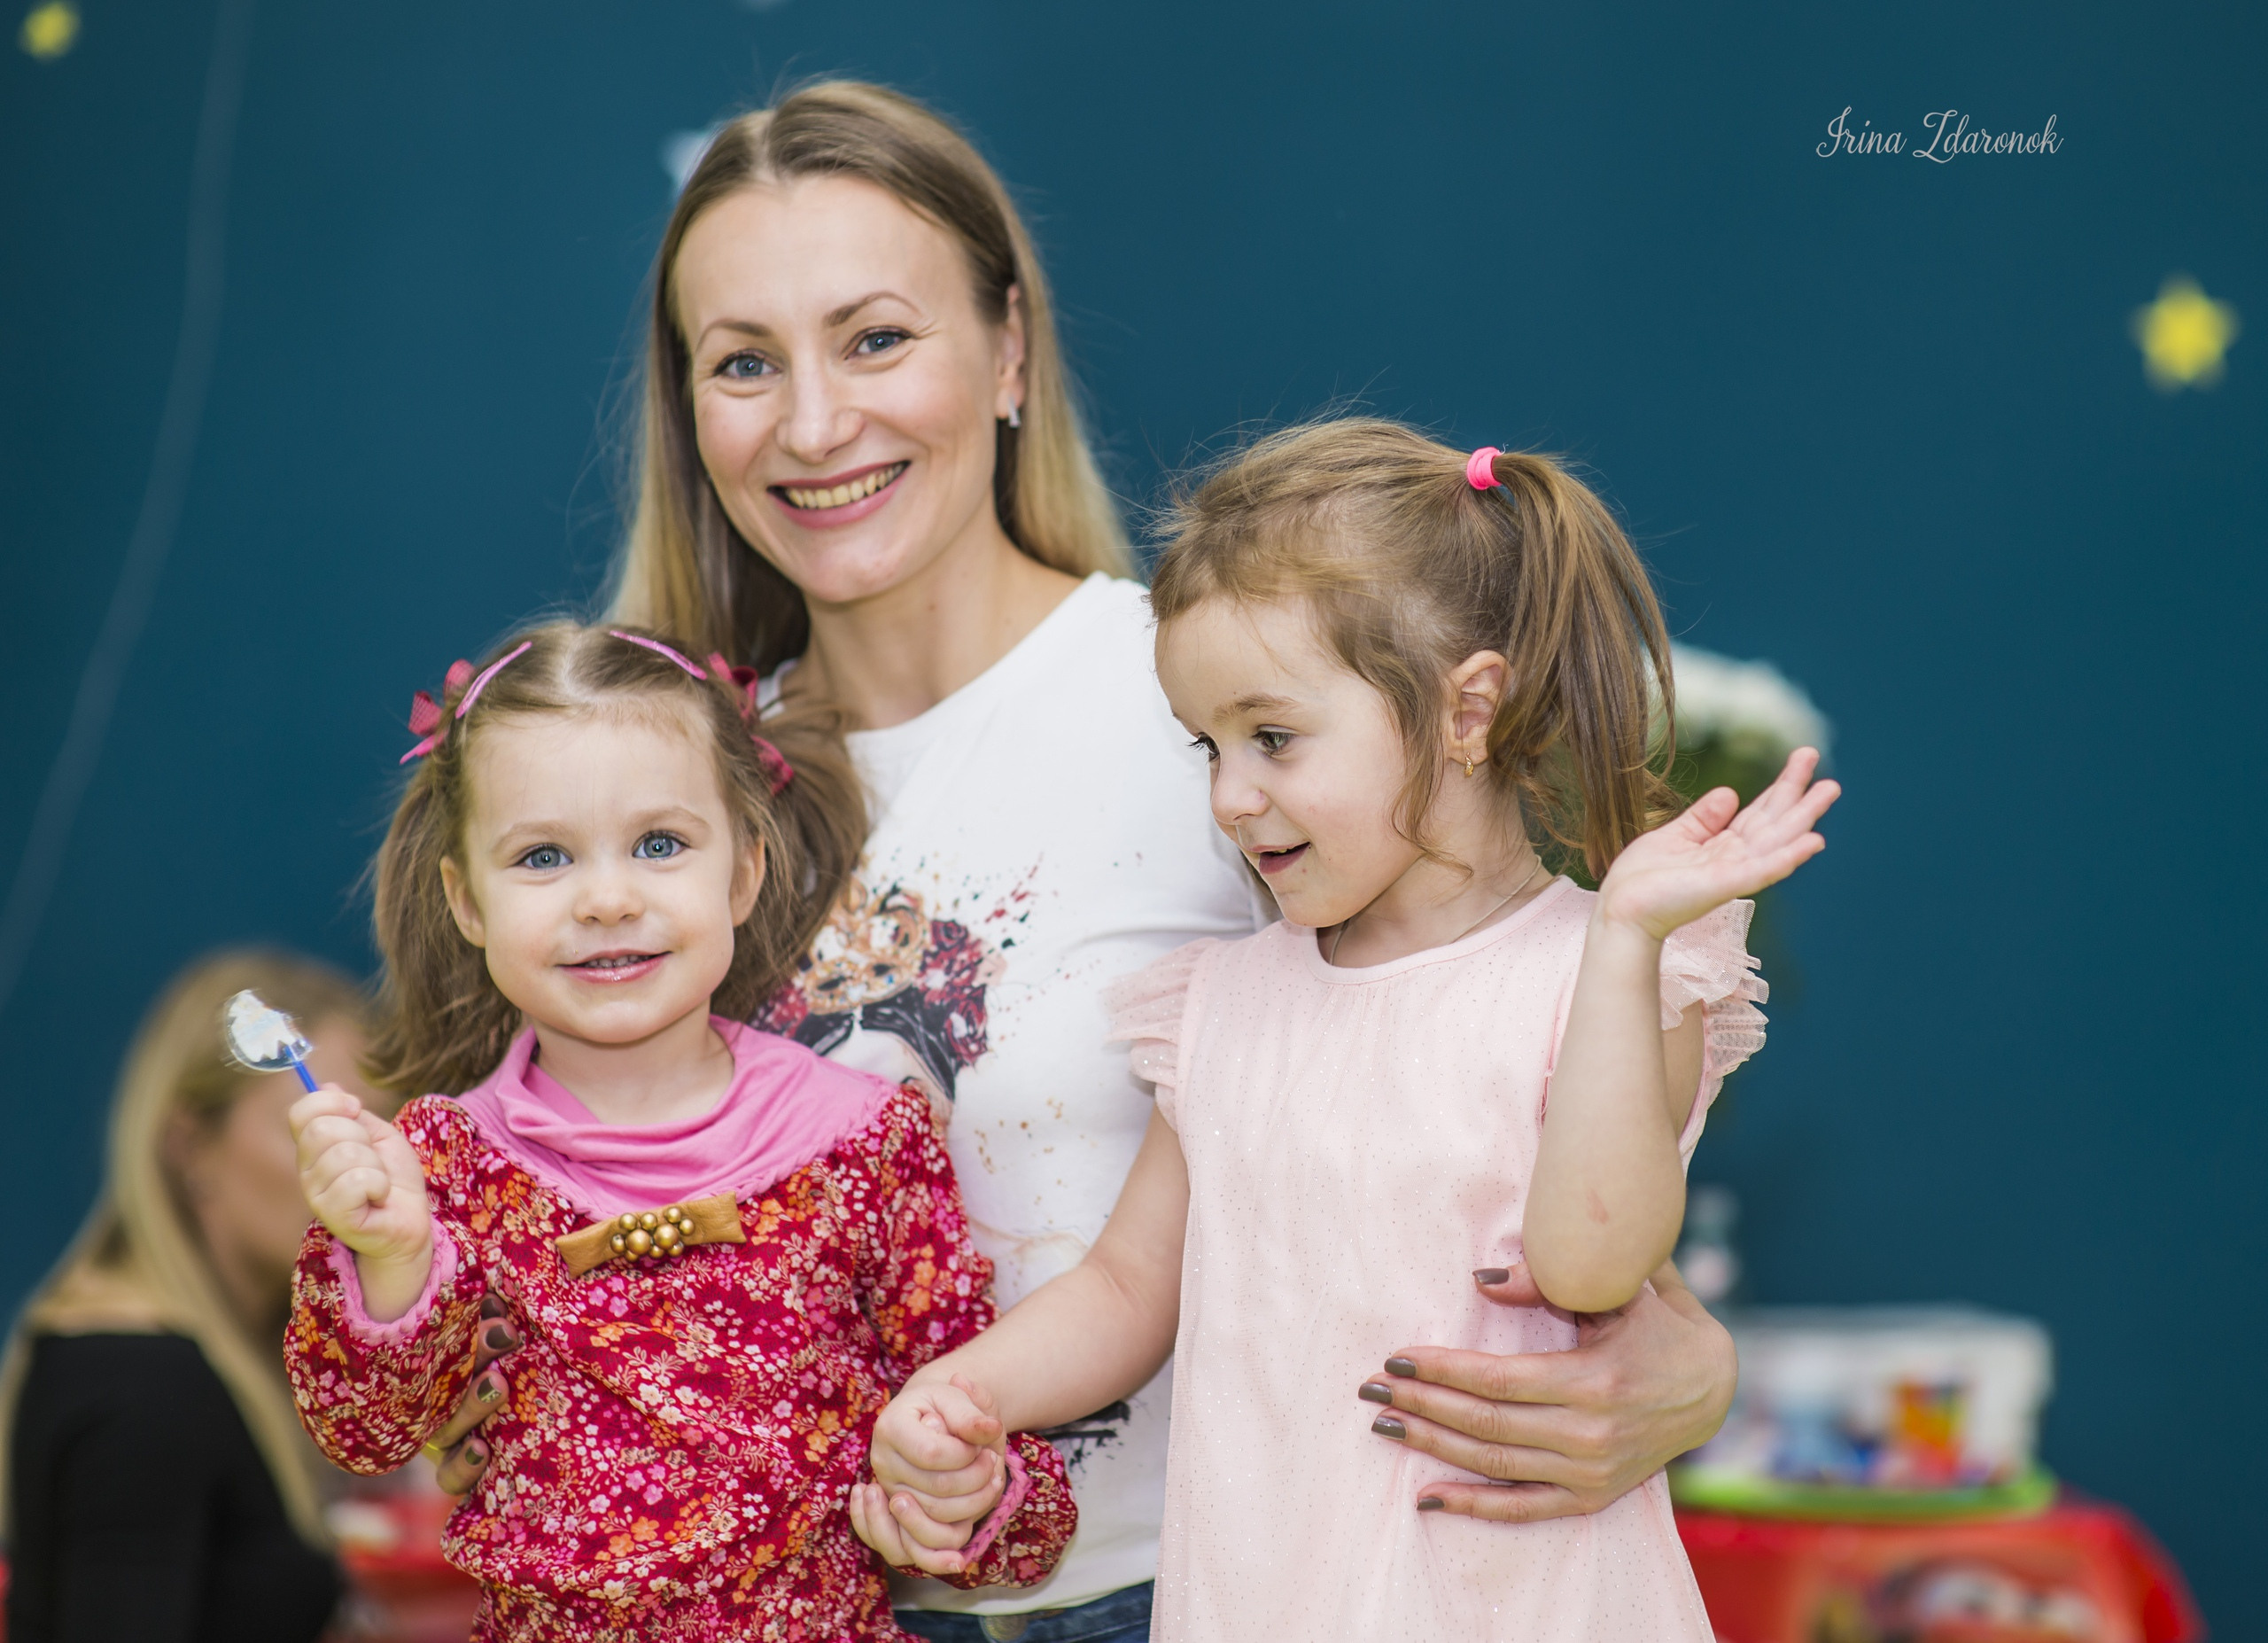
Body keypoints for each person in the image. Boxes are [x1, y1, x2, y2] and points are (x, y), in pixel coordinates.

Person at [439, 81, 1744, 1642]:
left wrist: (1680, 1357)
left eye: (873, 338)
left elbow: (1478, 1063)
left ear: (1008, 352)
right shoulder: (648, 798)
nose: (811, 421)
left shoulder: (1212, 710)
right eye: (742, 363)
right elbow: (498, 1251)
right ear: (687, 408)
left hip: (1197, 1587)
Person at [858, 420, 1840, 1639]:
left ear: (1466, 709)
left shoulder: (1614, 977)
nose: (1230, 794)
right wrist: (967, 1390)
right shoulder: (1220, 1009)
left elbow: (1591, 1266)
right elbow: (1125, 1282)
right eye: (1206, 745)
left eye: (1272, 736)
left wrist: (1627, 937)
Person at [282, 621, 1076, 1640]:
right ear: (465, 900)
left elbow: (1014, 1505)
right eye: (542, 856)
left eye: (660, 845)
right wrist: (391, 1256)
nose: (608, 898)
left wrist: (958, 1489)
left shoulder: (864, 1139)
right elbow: (364, 1428)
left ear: (744, 872)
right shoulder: (438, 1165)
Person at [2, 950, 366, 1643]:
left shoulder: (223, 1352)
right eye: (308, 1133)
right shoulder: (140, 1392)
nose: (354, 1174)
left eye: (368, 1132)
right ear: (189, 1143)